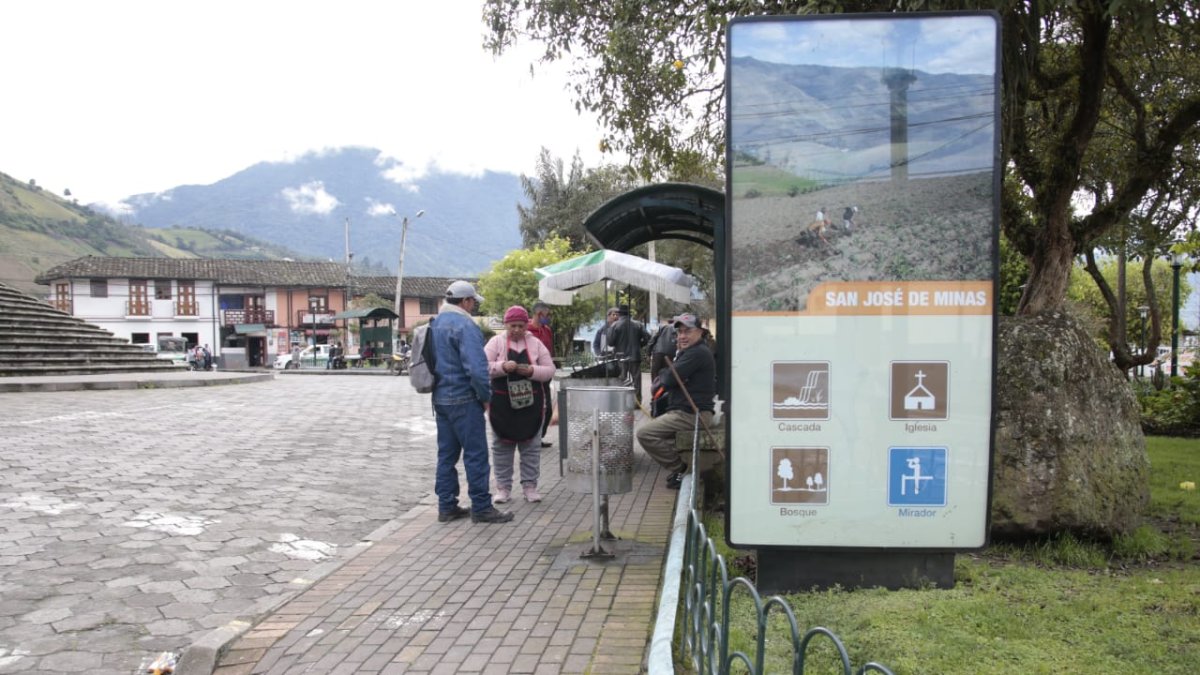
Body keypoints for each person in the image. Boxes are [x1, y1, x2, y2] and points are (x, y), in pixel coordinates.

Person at [430, 280, 513, 524]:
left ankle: (446, 506)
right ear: (465, 301)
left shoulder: (435, 323)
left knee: (446, 455)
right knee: (476, 455)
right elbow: (477, 370)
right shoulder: (465, 326)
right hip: (464, 399)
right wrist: (486, 397)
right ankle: (481, 507)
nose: (474, 306)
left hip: (441, 399)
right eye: (473, 302)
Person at [635, 313, 716, 489]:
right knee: (662, 436)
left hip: (692, 414)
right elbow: (669, 378)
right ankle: (682, 468)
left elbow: (668, 379)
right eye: (679, 332)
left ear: (700, 332)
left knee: (645, 434)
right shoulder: (690, 352)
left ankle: (682, 470)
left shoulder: (697, 353)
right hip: (686, 412)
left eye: (687, 331)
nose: (682, 336)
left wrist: (667, 377)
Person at [485, 306, 555, 504]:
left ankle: (530, 487)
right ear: (505, 325)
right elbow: (482, 366)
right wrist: (501, 367)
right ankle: (503, 488)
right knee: (501, 448)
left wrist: (532, 370)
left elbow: (550, 370)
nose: (516, 330)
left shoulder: (536, 344)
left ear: (526, 325)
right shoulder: (496, 342)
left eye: (521, 326)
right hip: (501, 406)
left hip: (531, 406)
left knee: (531, 447)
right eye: (512, 326)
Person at [528, 301, 556, 448]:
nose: (549, 317)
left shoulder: (547, 330)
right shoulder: (526, 330)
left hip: (544, 376)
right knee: (532, 409)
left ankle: (539, 437)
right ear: (540, 314)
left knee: (548, 409)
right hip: (530, 376)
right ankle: (531, 438)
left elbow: (550, 350)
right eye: (548, 314)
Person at [608, 305, 650, 403]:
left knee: (622, 380)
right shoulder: (638, 324)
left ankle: (622, 402)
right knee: (636, 381)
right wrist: (639, 344)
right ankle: (637, 402)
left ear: (620, 314)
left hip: (620, 357)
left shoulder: (615, 325)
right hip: (635, 356)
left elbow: (610, 342)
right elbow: (648, 338)